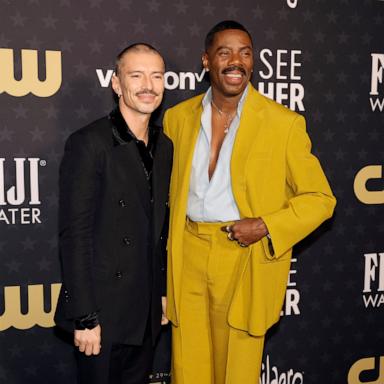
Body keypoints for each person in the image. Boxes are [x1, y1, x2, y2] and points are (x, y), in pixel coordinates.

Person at [163, 20, 336, 383]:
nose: (235, 61)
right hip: (188, 254)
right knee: (187, 368)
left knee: (236, 371)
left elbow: (321, 199)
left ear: (253, 62)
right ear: (206, 61)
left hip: (243, 258)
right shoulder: (176, 119)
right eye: (224, 52)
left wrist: (266, 225)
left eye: (244, 52)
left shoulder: (282, 123)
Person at [54, 43, 173, 384]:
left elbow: (159, 230)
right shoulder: (89, 143)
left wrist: (161, 292)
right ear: (117, 84)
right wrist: (85, 316)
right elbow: (74, 236)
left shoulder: (165, 147)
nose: (148, 85)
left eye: (156, 76)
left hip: (145, 312)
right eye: (136, 75)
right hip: (101, 314)